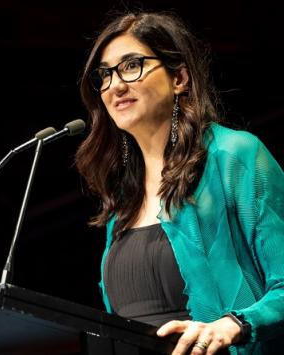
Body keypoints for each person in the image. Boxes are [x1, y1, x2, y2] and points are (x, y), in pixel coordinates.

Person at [75, 12, 284, 354]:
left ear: (180, 79)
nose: (116, 84)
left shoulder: (235, 156)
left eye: (132, 65)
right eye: (105, 74)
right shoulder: (122, 198)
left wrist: (235, 324)